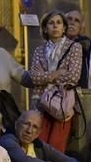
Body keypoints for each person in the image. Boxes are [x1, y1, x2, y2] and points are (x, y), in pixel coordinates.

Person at [29, 10, 83, 153]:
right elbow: (34, 77)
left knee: (56, 147)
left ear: (64, 27)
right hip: (41, 102)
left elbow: (73, 77)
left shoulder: (74, 47)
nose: (55, 26)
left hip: (62, 102)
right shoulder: (39, 50)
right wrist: (56, 74)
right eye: (51, 23)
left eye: (59, 23)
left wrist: (46, 77)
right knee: (38, 146)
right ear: (45, 28)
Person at [65, 9, 91, 88]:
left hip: (79, 90)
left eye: (76, 21)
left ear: (81, 27)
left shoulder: (85, 43)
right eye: (69, 19)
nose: (72, 23)